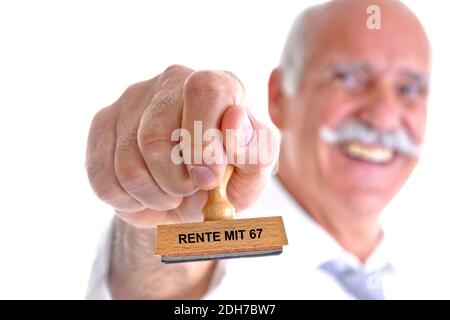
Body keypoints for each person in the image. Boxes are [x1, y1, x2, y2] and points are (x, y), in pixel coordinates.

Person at [85, 0, 432, 299]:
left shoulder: (427, 272)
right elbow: (161, 285)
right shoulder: (218, 255)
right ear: (280, 97)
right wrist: (160, 222)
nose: (384, 117)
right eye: (349, 79)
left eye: (408, 89)